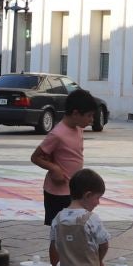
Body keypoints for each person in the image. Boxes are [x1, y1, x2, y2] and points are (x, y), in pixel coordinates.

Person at [32, 89, 98, 227]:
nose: (92, 120)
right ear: (75, 113)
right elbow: (36, 157)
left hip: (74, 191)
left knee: (73, 230)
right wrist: (54, 168)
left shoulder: (78, 128)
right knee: (57, 232)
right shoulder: (57, 134)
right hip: (57, 193)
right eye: (89, 116)